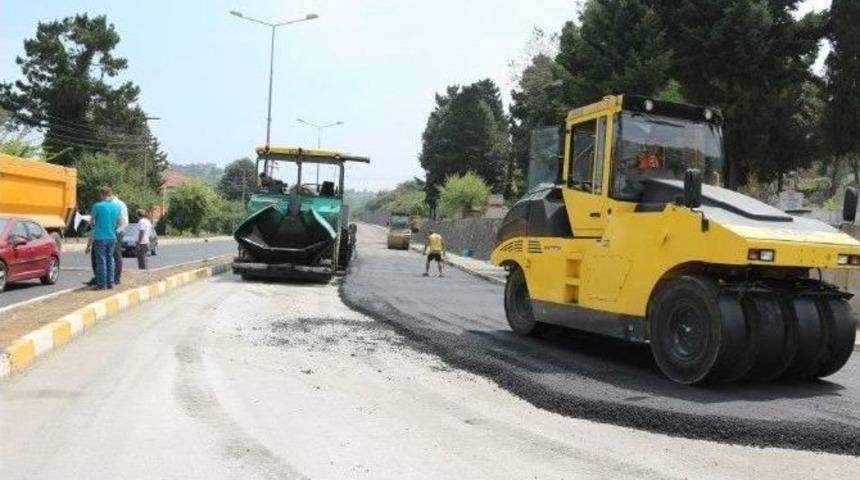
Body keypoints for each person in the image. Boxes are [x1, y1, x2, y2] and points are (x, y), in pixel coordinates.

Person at [84, 190, 128, 286]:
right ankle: (111, 282)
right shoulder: (117, 207)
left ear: (102, 194)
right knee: (110, 259)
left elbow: (91, 222)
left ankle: (102, 284)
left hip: (100, 237)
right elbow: (121, 222)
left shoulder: (97, 206)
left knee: (101, 260)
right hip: (112, 237)